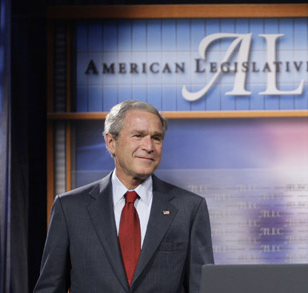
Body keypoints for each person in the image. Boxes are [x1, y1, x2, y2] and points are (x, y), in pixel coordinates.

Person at [34, 100, 214, 292]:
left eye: (156, 138)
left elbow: (202, 287)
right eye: (138, 135)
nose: (149, 146)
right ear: (111, 142)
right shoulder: (69, 208)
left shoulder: (190, 208)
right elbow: (50, 288)